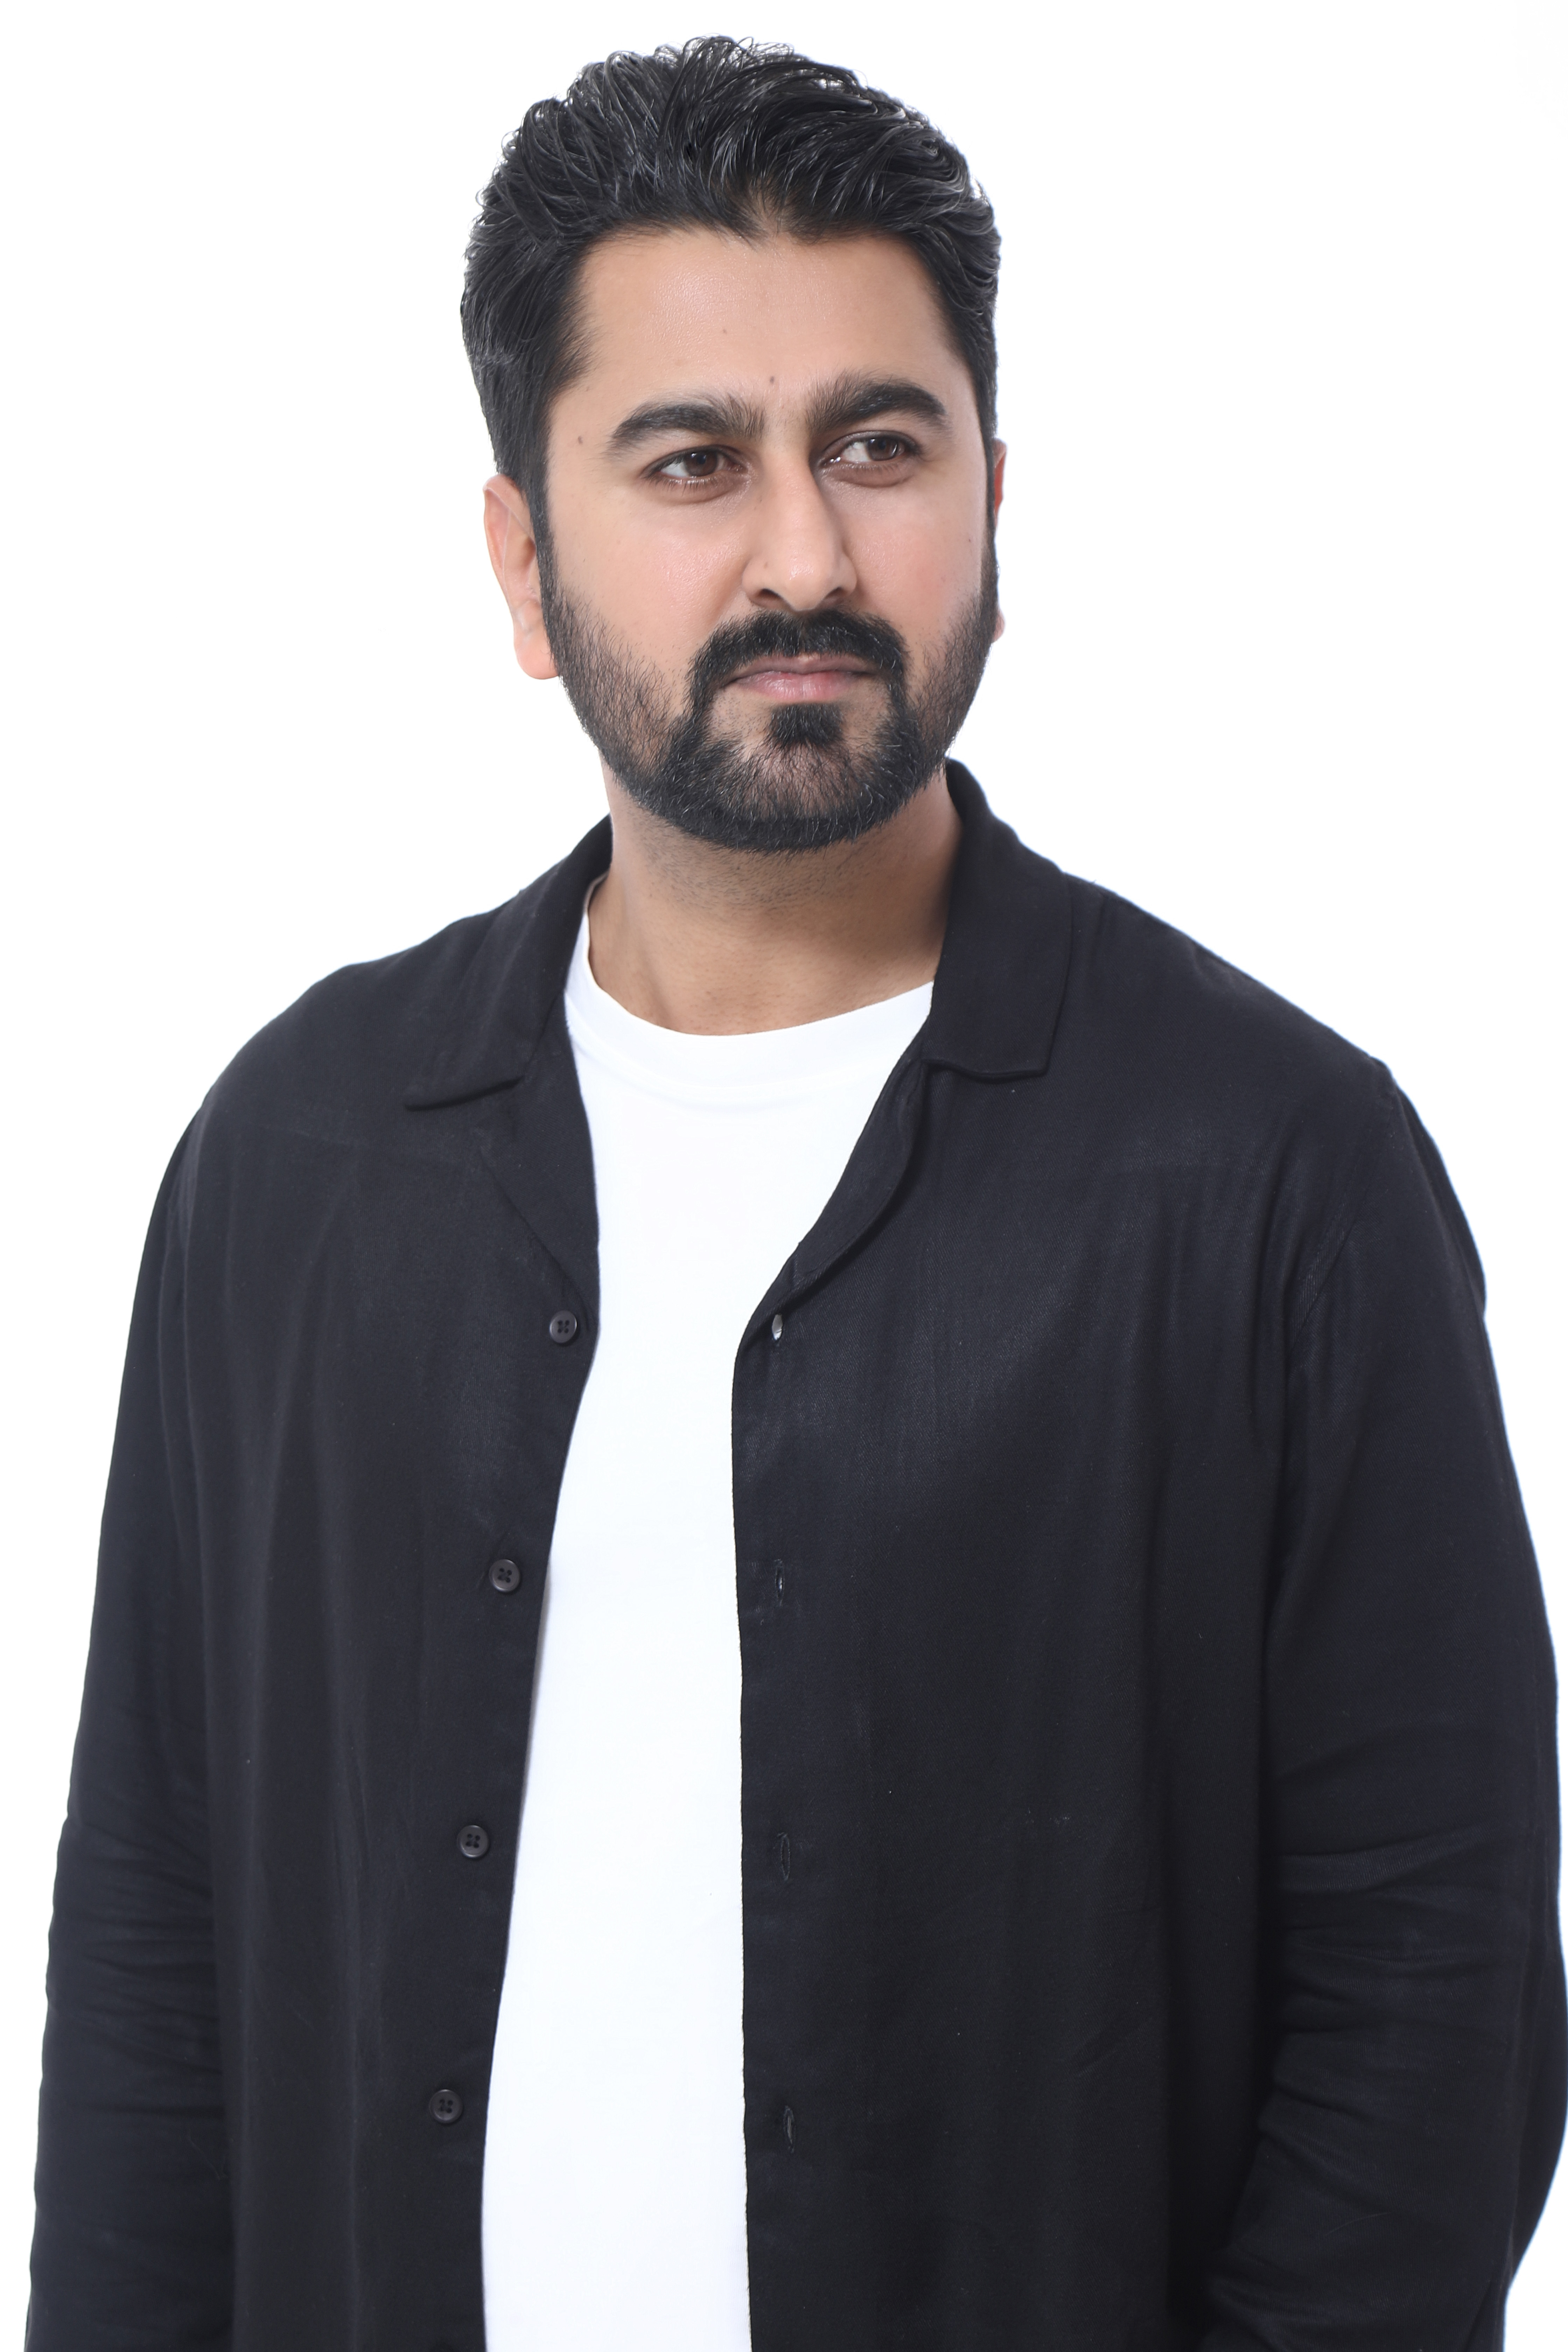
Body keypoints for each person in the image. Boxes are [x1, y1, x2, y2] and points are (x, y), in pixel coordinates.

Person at [28, 34, 1564, 2351]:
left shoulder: (1271, 1174)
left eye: (881, 445)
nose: (808, 557)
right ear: (524, 560)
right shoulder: (300, 1159)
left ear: (994, 504)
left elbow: (1431, 2013)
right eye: (693, 462)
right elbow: (161, 1938)